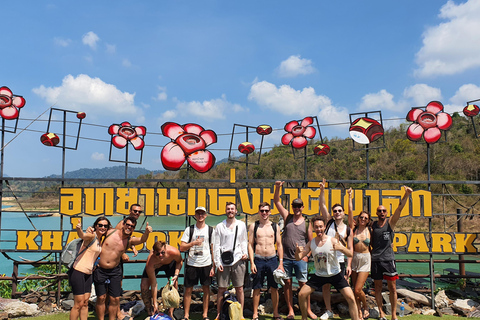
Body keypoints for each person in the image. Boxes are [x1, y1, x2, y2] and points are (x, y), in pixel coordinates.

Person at [295, 216, 359, 320]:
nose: (319, 229)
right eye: (316, 227)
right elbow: (298, 258)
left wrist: (341, 248)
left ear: (324, 227)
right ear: (314, 229)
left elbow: (350, 254)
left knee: (351, 298)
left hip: (335, 274)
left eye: (320, 226)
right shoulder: (311, 243)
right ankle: (304, 318)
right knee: (302, 294)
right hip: (320, 275)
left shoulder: (332, 240)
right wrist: (297, 252)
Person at [94, 217, 152, 320]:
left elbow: (142, 239)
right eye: (128, 225)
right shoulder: (110, 232)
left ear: (134, 229)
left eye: (132, 226)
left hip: (115, 271)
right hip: (100, 269)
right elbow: (96, 234)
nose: (129, 227)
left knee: (115, 299)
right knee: (101, 298)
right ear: (123, 224)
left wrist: (147, 232)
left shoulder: (129, 241)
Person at [274, 181, 315, 320]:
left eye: (299, 206)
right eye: (294, 206)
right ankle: (291, 310)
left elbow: (311, 241)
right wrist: (278, 187)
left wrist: (307, 255)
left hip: (300, 259)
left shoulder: (307, 222)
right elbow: (276, 201)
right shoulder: (288, 217)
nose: (296, 208)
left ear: (302, 207)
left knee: (304, 285)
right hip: (285, 258)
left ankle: (308, 310)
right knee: (287, 284)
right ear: (292, 207)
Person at [371, 186, 413, 320]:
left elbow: (399, 208)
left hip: (389, 260)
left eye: (384, 210)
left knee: (393, 288)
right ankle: (381, 313)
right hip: (376, 260)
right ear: (376, 213)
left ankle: (394, 315)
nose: (382, 212)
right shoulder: (372, 225)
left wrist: (407, 194)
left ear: (386, 212)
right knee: (377, 288)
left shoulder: (390, 223)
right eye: (379, 211)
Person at [318, 179, 353, 320]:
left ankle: (351, 310)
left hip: (340, 261)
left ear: (343, 213)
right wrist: (322, 190)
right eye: (335, 211)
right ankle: (328, 310)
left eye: (339, 211)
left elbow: (350, 248)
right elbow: (322, 205)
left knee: (345, 288)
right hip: (326, 260)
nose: (337, 212)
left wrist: (349, 265)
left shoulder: (348, 229)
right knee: (326, 287)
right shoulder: (329, 222)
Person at [69, 217, 111, 320]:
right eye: (100, 225)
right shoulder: (92, 236)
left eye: (105, 226)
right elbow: (83, 235)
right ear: (95, 226)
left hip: (88, 273)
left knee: (85, 303)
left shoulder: (100, 239)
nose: (102, 227)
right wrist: (79, 229)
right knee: (78, 303)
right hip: (78, 271)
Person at [248, 202, 284, 320]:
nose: (264, 213)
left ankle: (275, 313)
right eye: (262, 211)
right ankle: (255, 313)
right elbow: (250, 244)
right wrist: (252, 262)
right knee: (257, 287)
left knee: (274, 287)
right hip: (258, 259)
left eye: (266, 211)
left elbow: (279, 245)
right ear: (259, 212)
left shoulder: (275, 226)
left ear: (270, 212)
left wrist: (281, 263)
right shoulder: (254, 226)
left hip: (272, 259)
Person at [213, 202, 248, 320]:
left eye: (232, 209)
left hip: (238, 259)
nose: (230, 211)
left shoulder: (241, 225)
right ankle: (219, 313)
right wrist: (217, 262)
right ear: (225, 211)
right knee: (222, 289)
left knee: (239, 288)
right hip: (224, 261)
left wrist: (245, 253)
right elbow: (216, 246)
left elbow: (244, 241)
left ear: (236, 211)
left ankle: (240, 314)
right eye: (228, 209)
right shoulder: (219, 226)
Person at [179, 206, 215, 320]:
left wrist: (214, 266)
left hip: (206, 263)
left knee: (206, 289)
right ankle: (186, 315)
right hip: (192, 263)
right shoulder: (189, 230)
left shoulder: (210, 230)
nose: (200, 215)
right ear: (195, 215)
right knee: (188, 289)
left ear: (206, 215)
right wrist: (193, 243)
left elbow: (213, 248)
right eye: (198, 213)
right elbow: (182, 247)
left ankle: (205, 315)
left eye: (202, 213)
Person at [140, 240, 183, 318]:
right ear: (154, 253)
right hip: (156, 265)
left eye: (162, 252)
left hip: (170, 264)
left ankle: (170, 312)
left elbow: (179, 261)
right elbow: (154, 284)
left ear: (165, 249)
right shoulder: (150, 262)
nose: (160, 255)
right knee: (144, 286)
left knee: (174, 284)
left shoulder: (173, 252)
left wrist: (176, 275)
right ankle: (150, 311)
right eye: (158, 253)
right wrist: (155, 303)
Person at [346, 188, 371, 320]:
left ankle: (365, 306)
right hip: (354, 258)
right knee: (354, 289)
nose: (363, 219)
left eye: (365, 218)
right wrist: (350, 197)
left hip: (366, 259)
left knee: (357, 289)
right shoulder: (353, 228)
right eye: (361, 217)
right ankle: (359, 312)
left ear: (368, 220)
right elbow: (349, 213)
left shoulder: (370, 230)